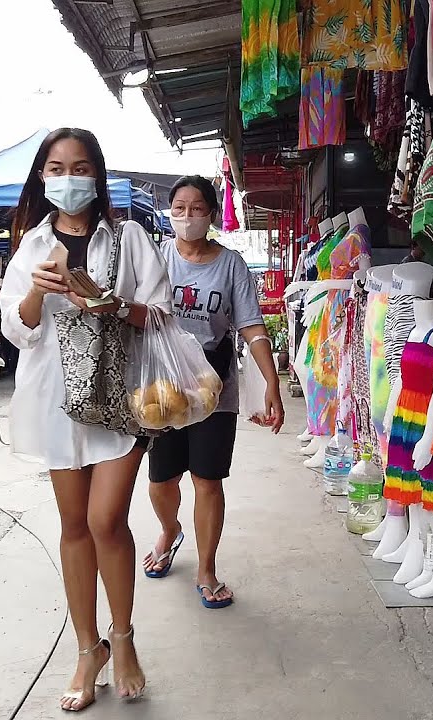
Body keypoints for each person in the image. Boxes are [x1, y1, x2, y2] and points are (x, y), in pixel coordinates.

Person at [0, 128, 171, 713]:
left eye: (78, 168)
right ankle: (86, 649)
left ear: (97, 176)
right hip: (55, 399)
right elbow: (17, 331)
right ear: (42, 177)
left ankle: (121, 639)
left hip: (119, 398)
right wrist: (35, 296)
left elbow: (161, 315)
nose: (67, 179)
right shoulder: (31, 246)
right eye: (55, 168)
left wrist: (108, 301)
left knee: (106, 521)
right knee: (74, 525)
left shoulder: (127, 238)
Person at [143, 175, 285, 609]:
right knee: (161, 478)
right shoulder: (156, 256)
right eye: (180, 207)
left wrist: (272, 383)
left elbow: (251, 326)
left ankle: (206, 568)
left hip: (213, 386)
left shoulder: (231, 265)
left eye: (197, 207)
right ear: (170, 212)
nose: (188, 216)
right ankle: (169, 530)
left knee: (208, 480)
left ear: (211, 213)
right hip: (162, 387)